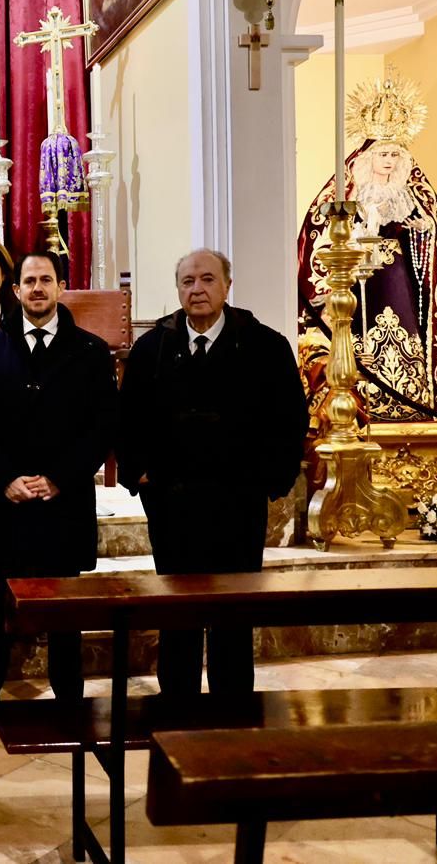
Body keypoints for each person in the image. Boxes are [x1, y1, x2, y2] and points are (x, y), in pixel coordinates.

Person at [119, 249, 307, 697]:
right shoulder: (154, 346)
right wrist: (139, 473)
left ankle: (233, 703)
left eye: (207, 279)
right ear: (178, 289)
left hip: (236, 503)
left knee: (233, 611)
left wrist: (269, 480)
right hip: (173, 504)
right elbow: (127, 416)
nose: (197, 289)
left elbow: (289, 418)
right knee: (177, 611)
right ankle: (178, 702)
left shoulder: (264, 345)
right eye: (187, 281)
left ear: (227, 285)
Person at [0, 251, 117, 731]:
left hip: (61, 503)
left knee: (64, 610)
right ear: (16, 290)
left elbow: (102, 426)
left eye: (46, 279)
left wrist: (58, 478)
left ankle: (69, 698)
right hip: (3, 503)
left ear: (61, 286)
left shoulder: (90, 351)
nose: (38, 288)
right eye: (29, 281)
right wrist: (5, 479)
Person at [298, 73, 437, 419]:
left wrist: (422, 230)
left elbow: (433, 233)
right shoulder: (345, 194)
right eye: (382, 153)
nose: (388, 160)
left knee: (407, 328)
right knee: (360, 332)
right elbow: (322, 236)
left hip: (397, 273)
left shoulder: (411, 195)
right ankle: (360, 403)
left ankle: (410, 402)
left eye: (393, 154)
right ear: (368, 157)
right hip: (359, 276)